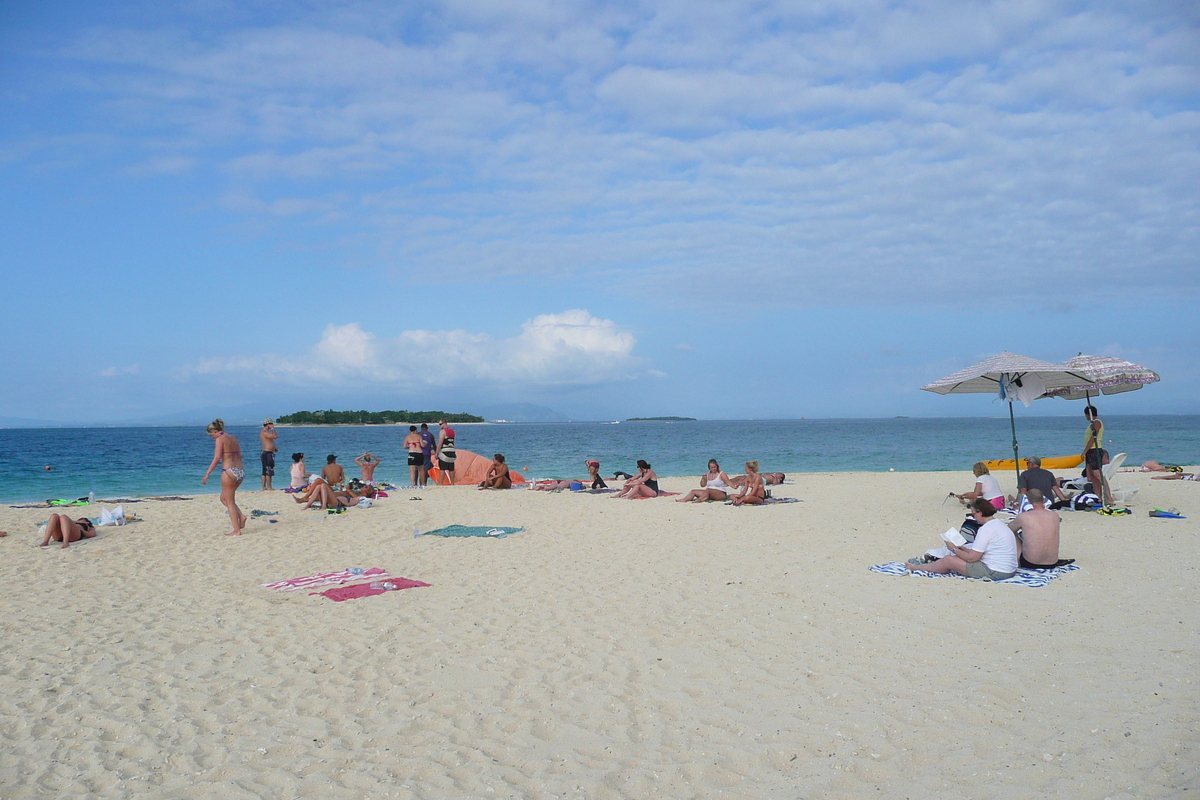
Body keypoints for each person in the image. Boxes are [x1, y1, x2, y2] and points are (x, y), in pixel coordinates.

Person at [905, 498, 1018, 580]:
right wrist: (962, 549)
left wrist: (953, 548)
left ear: (980, 512)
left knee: (948, 560)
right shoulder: (999, 524)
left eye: (973, 514)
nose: (973, 517)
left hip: (996, 572)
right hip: (1009, 569)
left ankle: (917, 567)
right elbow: (983, 552)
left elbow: (972, 558)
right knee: (956, 556)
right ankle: (929, 566)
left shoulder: (986, 529)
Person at [201, 418, 246, 536]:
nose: (212, 437)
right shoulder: (233, 438)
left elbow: (216, 458)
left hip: (229, 471)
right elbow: (240, 455)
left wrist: (207, 474)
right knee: (223, 498)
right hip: (240, 471)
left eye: (211, 435)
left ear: (215, 431)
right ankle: (241, 516)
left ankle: (237, 530)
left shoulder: (220, 439)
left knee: (230, 502)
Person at [1007, 489, 1068, 569]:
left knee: (1013, 534)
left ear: (1029, 501)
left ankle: (1017, 559)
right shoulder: (1055, 516)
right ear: (1043, 500)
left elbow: (1009, 529)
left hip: (1030, 563)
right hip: (1052, 562)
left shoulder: (1024, 517)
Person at [1082, 405, 1112, 505]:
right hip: (1090, 451)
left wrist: (1085, 451)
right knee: (1091, 476)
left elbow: (1092, 438)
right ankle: (1098, 497)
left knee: (1097, 475)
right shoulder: (1091, 424)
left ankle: (1109, 497)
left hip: (1094, 450)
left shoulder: (1097, 422)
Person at [259, 419, 278, 491]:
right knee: (268, 470)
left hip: (268, 452)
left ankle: (264, 487)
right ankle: (269, 487)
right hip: (267, 453)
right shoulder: (264, 432)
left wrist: (274, 448)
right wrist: (273, 429)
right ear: (268, 424)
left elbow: (269, 441)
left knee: (265, 470)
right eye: (271, 424)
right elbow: (275, 436)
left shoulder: (266, 433)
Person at [436, 420, 457, 486]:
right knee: (451, 468)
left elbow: (440, 442)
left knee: (442, 468)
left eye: (440, 424)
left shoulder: (442, 431)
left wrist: (437, 452)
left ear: (444, 423)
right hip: (452, 450)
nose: (440, 426)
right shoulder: (452, 431)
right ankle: (452, 483)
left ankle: (440, 483)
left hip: (445, 451)